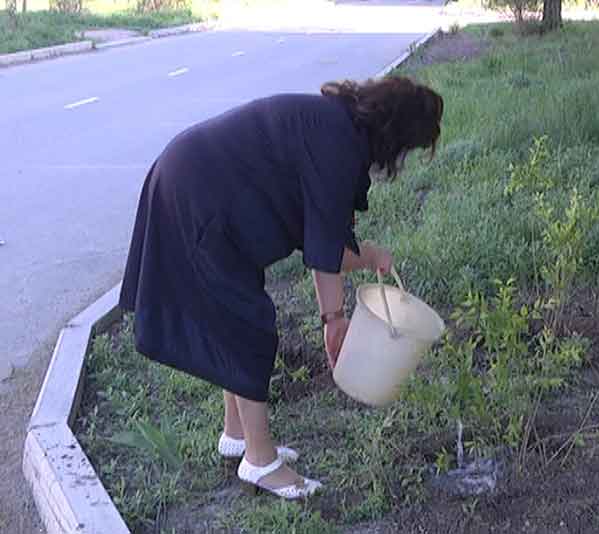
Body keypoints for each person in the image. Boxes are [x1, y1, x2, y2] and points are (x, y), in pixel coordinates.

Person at [119, 76, 444, 500]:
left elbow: (322, 242)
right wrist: (338, 313)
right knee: (249, 326)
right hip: (198, 196)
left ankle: (237, 433)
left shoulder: (335, 124)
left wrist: (345, 296)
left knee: (232, 316)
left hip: (191, 175)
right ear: (396, 134)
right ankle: (260, 460)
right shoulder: (338, 146)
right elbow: (328, 250)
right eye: (408, 149)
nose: (400, 160)